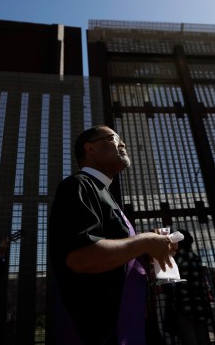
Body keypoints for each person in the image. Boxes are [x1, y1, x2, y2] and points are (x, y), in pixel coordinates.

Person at [48, 125, 178, 345]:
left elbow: (115, 260)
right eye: (113, 138)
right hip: (105, 330)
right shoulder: (78, 186)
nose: (123, 143)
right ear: (91, 149)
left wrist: (149, 253)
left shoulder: (103, 192)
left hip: (133, 323)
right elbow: (81, 257)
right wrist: (145, 240)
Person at [164, 229, 211, 345]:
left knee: (189, 339)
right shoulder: (195, 257)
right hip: (199, 305)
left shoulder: (177, 259)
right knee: (203, 338)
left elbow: (172, 286)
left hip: (183, 306)